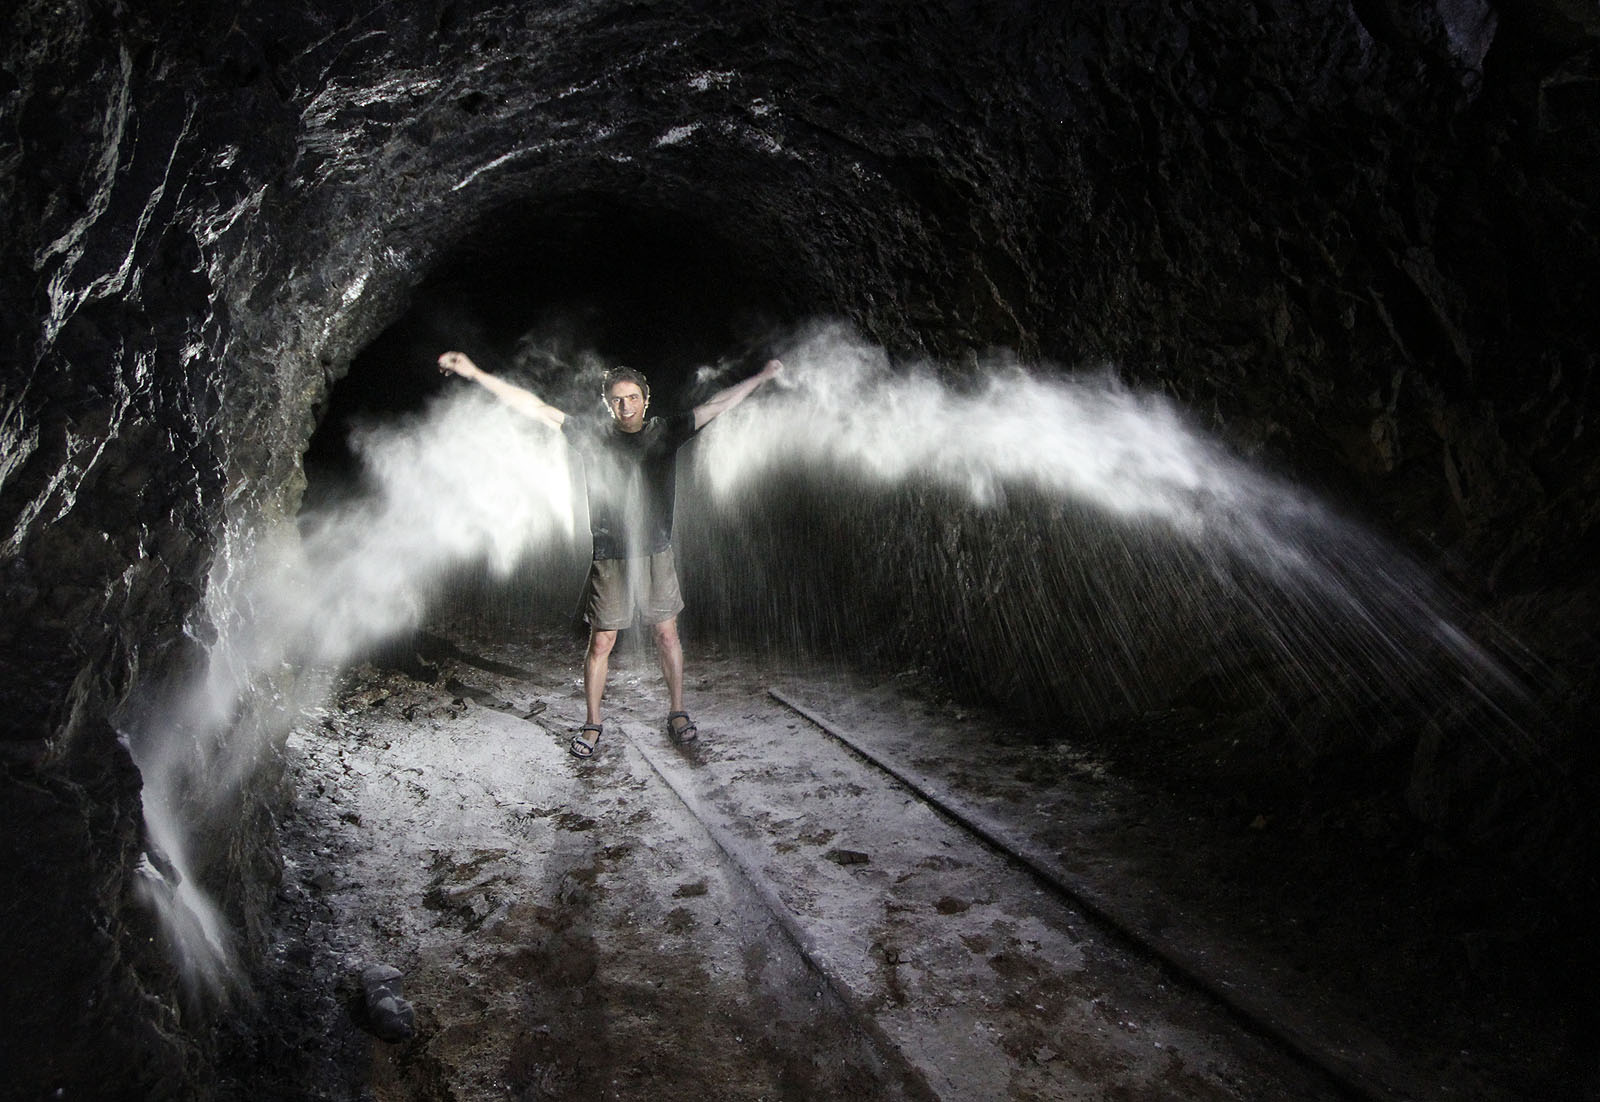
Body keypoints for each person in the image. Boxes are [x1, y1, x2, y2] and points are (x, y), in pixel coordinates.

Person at [436, 349, 782, 758]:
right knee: (602, 642)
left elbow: (716, 405)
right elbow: (537, 409)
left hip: (656, 551)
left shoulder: (665, 431)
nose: (625, 406)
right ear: (607, 404)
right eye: (617, 399)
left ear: (645, 400)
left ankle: (677, 713)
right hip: (610, 554)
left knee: (666, 634)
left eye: (632, 397)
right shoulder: (592, 435)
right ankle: (593, 724)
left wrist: (761, 377)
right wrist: (476, 372)